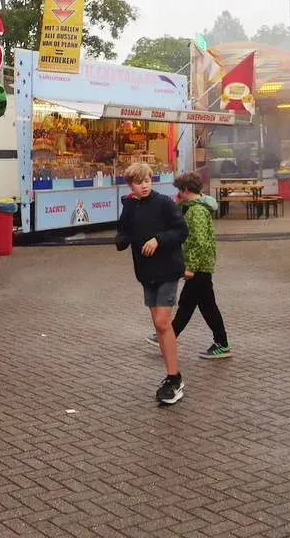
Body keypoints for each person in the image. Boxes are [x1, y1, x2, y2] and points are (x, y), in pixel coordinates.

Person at [116, 161, 190, 405]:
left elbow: (181, 231)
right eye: (139, 183)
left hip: (168, 269)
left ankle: (174, 376)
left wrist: (158, 239)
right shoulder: (129, 207)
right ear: (131, 186)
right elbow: (123, 231)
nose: (144, 186)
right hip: (146, 272)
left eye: (147, 181)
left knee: (162, 322)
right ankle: (172, 377)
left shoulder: (165, 203)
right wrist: (121, 240)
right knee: (160, 328)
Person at [148, 172, 230, 359]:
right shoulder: (193, 207)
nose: (178, 194)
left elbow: (199, 242)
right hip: (202, 265)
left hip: (199, 267)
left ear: (185, 190)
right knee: (199, 304)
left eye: (179, 191)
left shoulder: (197, 211)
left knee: (194, 304)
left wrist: (191, 267)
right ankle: (171, 336)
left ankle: (171, 336)